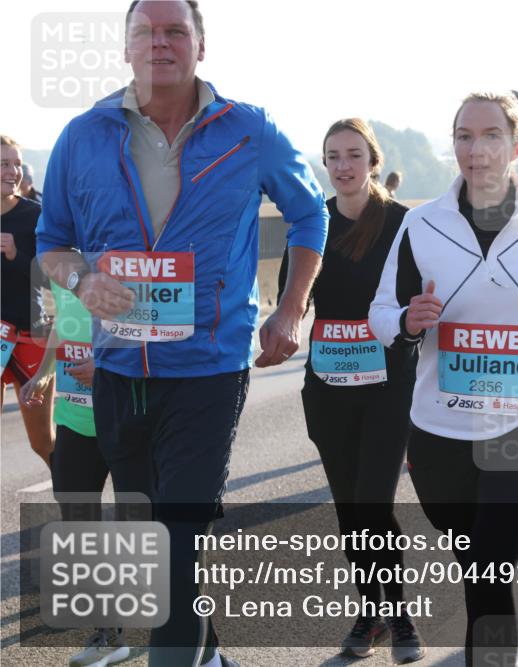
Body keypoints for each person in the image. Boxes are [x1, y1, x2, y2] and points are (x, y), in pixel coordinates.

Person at [34, 2, 330, 665]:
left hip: (207, 370)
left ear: (201, 44)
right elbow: (52, 241)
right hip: (117, 371)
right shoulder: (83, 135)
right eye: (145, 31)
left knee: (176, 539)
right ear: (125, 47)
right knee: (160, 543)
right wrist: (81, 281)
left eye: (174, 30)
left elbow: (311, 213)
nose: (159, 42)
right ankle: (209, 651)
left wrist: (290, 309)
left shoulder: (248, 129)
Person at [369, 91, 518, 667]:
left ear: (515, 147)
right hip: (440, 430)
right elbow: (380, 313)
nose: (476, 149)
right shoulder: (421, 224)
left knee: (491, 560)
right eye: (464, 136)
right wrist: (407, 319)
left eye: (491, 135)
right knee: (479, 568)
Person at [275, 119, 425, 663]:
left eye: (353, 155)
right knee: (348, 511)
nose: (343, 166)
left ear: (373, 161)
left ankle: (400, 617)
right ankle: (370, 614)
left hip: (389, 389)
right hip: (329, 390)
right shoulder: (311, 224)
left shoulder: (405, 225)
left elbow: (424, 305)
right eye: (333, 156)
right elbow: (291, 299)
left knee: (373, 505)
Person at [20, 280, 128, 667]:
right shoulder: (59, 262)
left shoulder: (115, 251)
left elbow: (152, 329)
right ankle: (109, 634)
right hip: (72, 418)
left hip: (124, 416)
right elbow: (63, 324)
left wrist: (104, 365)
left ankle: (186, 625)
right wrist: (45, 374)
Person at [1, 134, 54, 466]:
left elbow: (56, 278)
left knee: (41, 442)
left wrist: (16, 255)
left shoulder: (35, 215)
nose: (13, 171)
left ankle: (77, 501)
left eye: (17, 164)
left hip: (30, 336)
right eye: (4, 164)